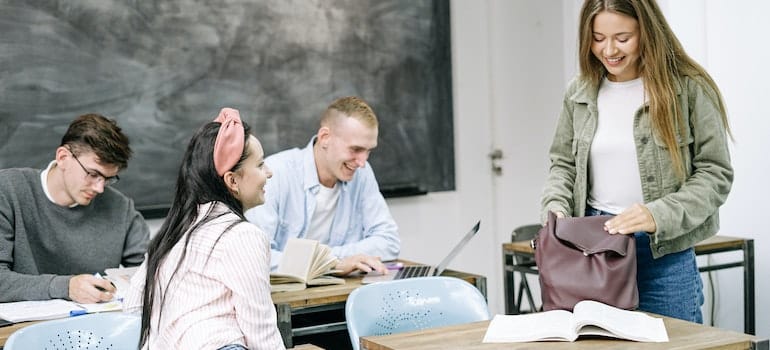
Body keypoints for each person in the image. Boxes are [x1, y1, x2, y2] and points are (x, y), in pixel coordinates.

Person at [541, 0, 733, 323]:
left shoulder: (688, 88)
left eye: (622, 37)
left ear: (647, 31)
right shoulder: (579, 93)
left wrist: (656, 214)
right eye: (598, 38)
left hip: (664, 255)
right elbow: (563, 164)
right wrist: (556, 205)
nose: (609, 49)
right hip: (593, 250)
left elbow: (715, 175)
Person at [124, 108, 284, 349]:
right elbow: (261, 332)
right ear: (232, 181)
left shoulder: (175, 229)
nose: (269, 173)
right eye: (261, 164)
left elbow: (133, 306)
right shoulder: (242, 236)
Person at [0, 114, 149, 304]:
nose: (100, 188)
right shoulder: (7, 191)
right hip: (19, 329)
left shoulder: (121, 208)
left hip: (95, 327)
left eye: (109, 178)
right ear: (63, 157)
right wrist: (66, 287)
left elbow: (149, 272)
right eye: (93, 174)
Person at [246, 96, 400, 275]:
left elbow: (389, 242)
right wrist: (332, 263)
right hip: (289, 299)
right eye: (356, 149)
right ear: (325, 137)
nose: (363, 162)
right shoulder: (274, 174)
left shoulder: (362, 174)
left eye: (369, 151)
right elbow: (258, 256)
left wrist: (331, 260)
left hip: (341, 292)